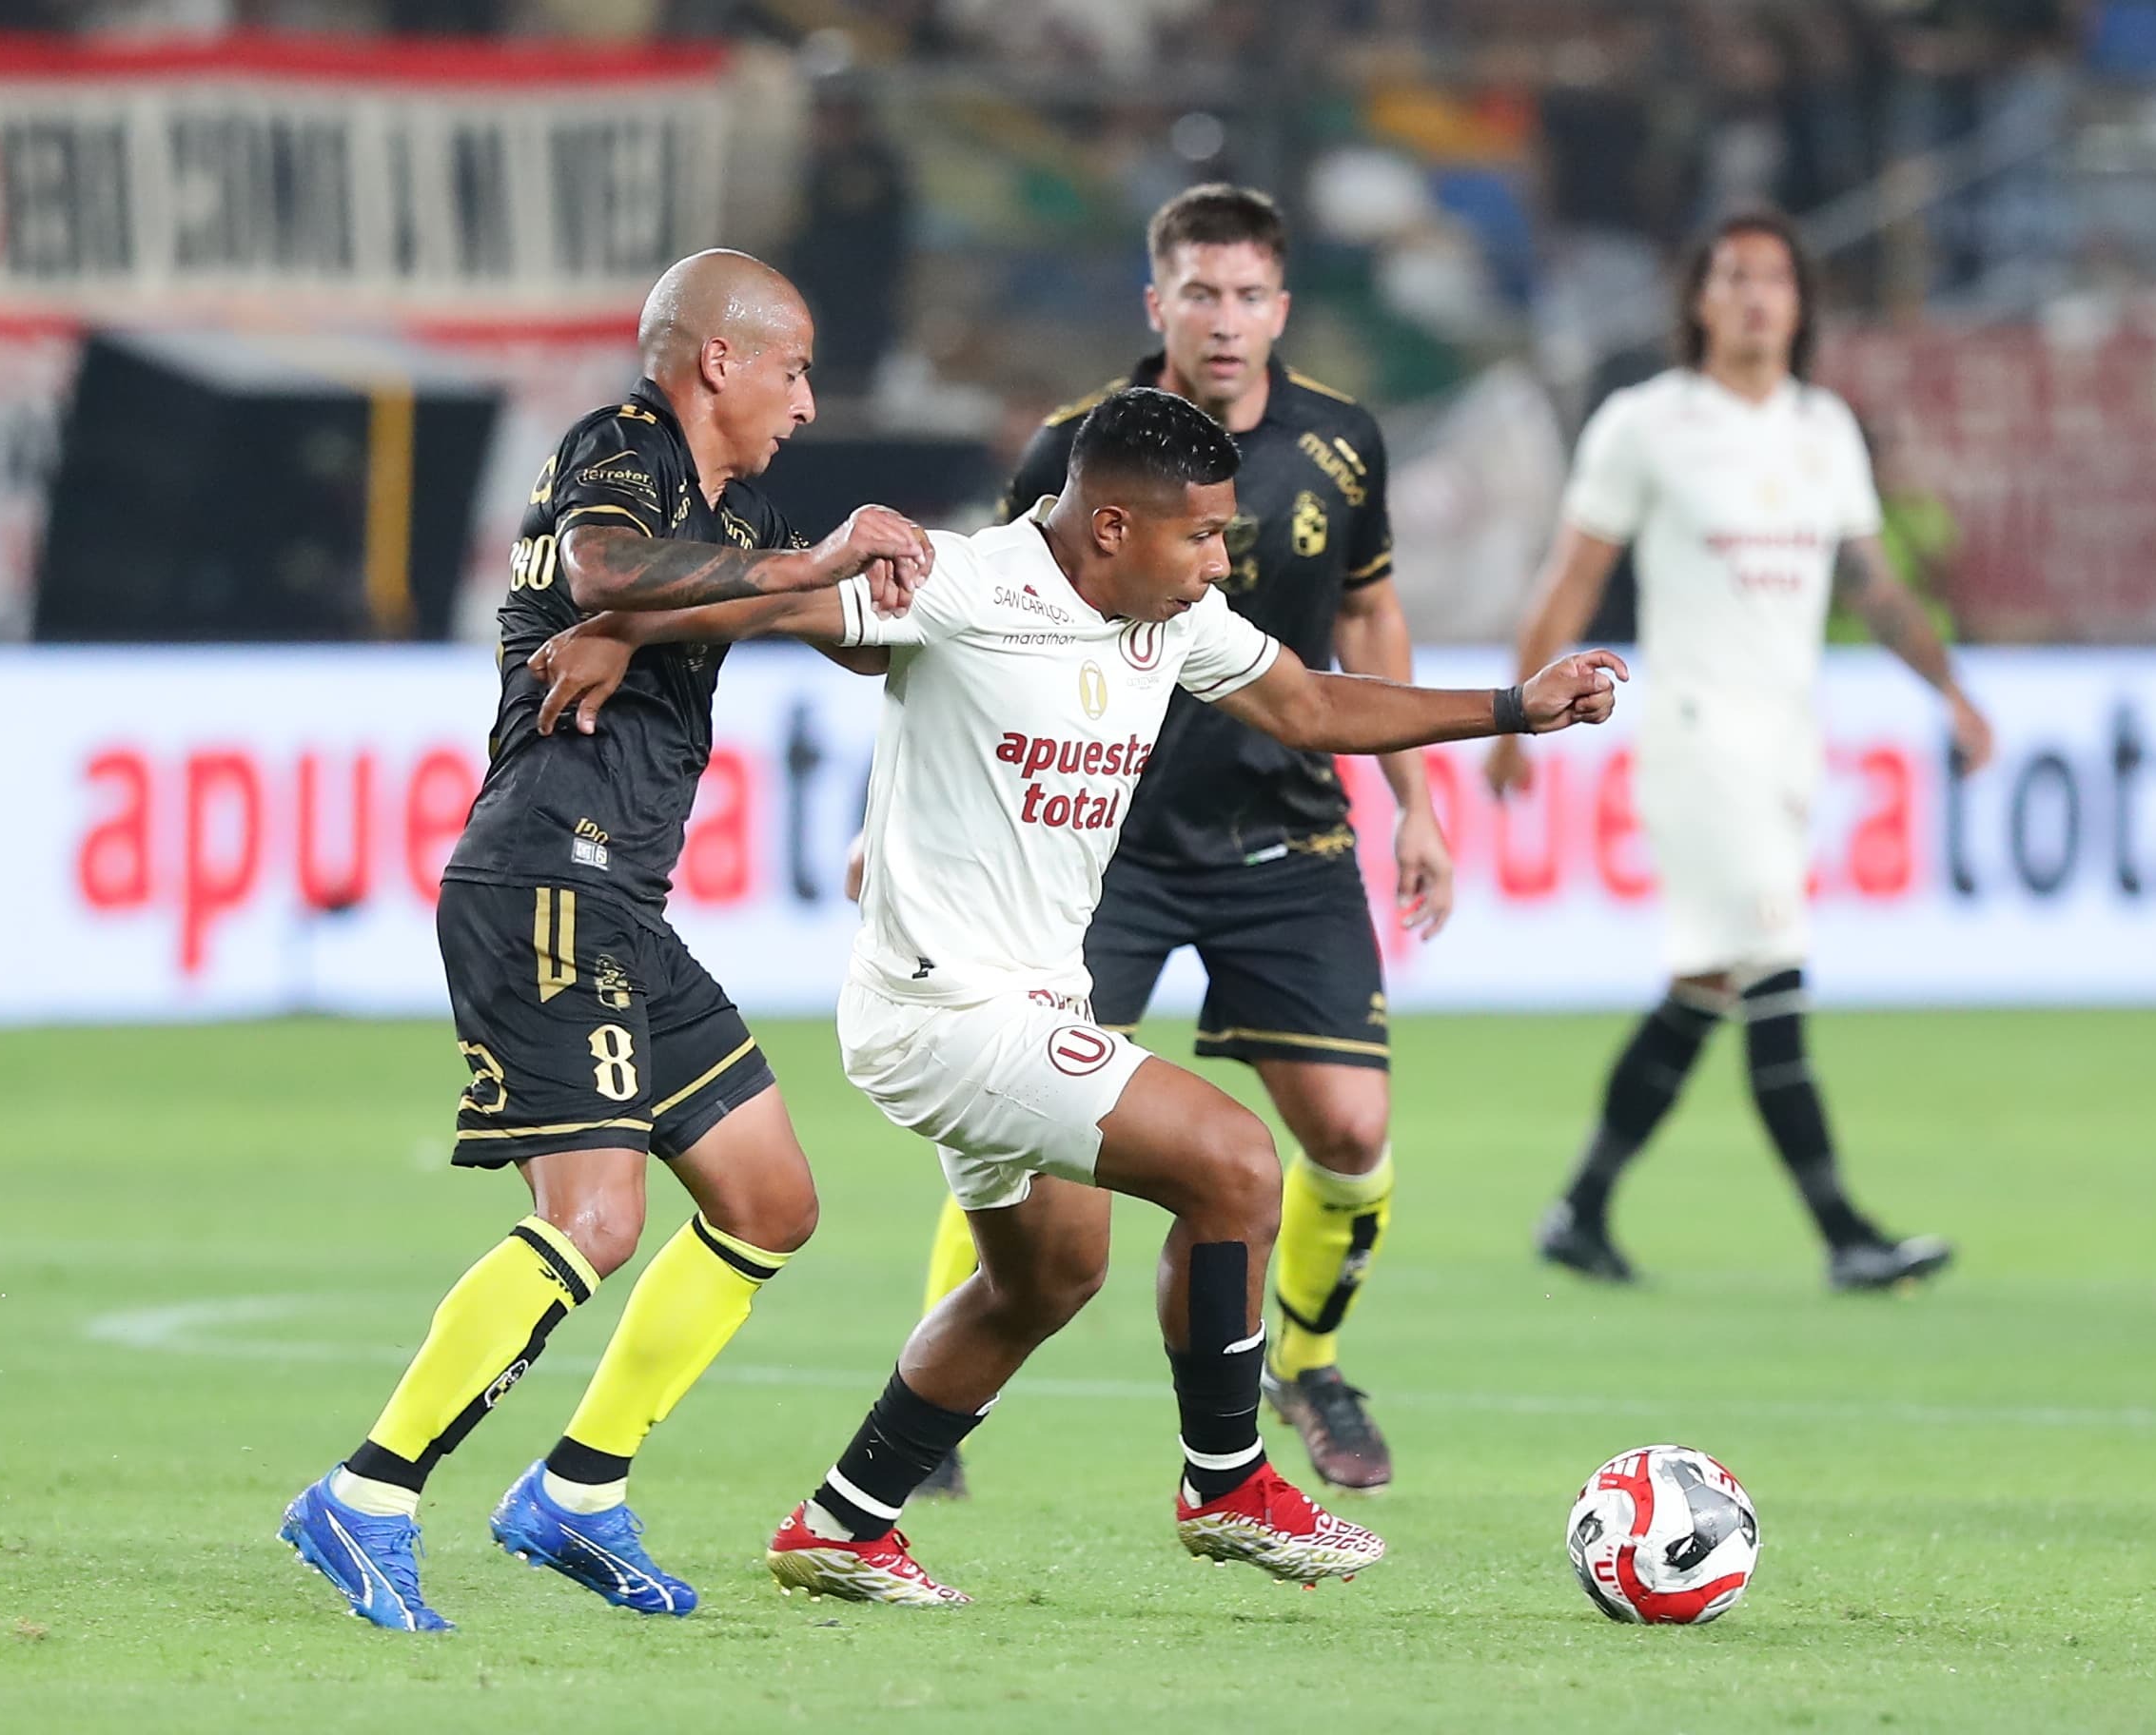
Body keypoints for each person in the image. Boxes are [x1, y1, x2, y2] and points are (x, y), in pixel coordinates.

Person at [529, 386, 1625, 1605]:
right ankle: (1227, 1484)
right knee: (1236, 1164)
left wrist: (1515, 706)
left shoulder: (1174, 618)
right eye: (1200, 535)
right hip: (941, 1014)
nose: (1220, 562)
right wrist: (621, 630)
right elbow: (777, 601)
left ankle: (844, 1524)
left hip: (1039, 1005)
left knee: (1046, 1277)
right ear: (1111, 526)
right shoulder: (962, 583)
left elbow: (1312, 704)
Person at [278, 249, 932, 1632]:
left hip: (621, 902)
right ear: (717, 361)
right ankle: (368, 1493)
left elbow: (837, 628)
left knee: (769, 1202)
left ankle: (576, 1491)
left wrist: (941, 591)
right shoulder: (622, 444)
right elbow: (601, 564)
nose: (807, 404)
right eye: (793, 370)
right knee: (595, 1220)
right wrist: (767, 575)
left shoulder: (737, 511)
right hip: (544, 878)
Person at [909, 183, 1452, 1498]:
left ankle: (1306, 1362)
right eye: (1200, 293)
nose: (1225, 319)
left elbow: (1368, 621)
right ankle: (936, 1413)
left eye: (1249, 295)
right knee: (1015, 1113)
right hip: (1111, 844)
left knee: (1350, 1131)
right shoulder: (1077, 445)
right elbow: (982, 633)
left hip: (1284, 829)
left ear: (1282, 308)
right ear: (1158, 303)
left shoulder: (1342, 442)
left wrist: (1419, 802)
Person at [1486, 210, 1993, 1293]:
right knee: (1775, 965)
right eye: (1733, 276)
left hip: (1789, 744)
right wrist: (1514, 715)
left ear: (1801, 304)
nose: (1756, 295)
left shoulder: (1824, 428)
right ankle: (1846, 1234)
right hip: (1696, 736)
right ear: (1700, 301)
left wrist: (1951, 691)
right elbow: (1573, 577)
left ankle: (1580, 1211)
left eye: (1775, 278)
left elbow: (1873, 582)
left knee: (1706, 983)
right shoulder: (1646, 423)